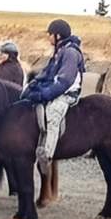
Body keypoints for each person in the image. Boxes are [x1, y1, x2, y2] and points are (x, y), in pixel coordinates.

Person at [21, 20, 84, 174]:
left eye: (50, 34)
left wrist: (44, 94)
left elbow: (64, 81)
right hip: (57, 89)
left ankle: (47, 156)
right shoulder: (59, 51)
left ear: (58, 35)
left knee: (53, 112)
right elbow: (47, 72)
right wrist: (34, 84)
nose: (48, 37)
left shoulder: (70, 53)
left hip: (67, 93)